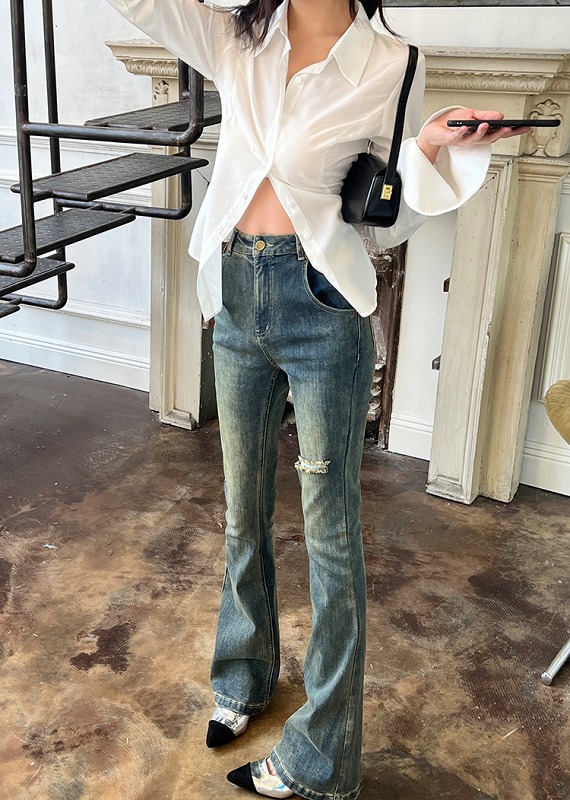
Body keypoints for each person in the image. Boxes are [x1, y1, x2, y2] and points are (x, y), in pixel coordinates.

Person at [105, 0, 528, 797]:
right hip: (235, 299)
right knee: (242, 510)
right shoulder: (237, 38)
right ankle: (243, 675)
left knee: (331, 534)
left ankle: (323, 759)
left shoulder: (390, 63)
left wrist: (429, 148)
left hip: (323, 306)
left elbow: (389, 218)